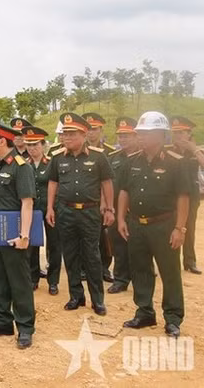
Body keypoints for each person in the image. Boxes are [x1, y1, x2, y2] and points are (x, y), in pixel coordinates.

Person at [118, 111, 190, 338]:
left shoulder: (176, 163)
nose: (140, 137)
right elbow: (124, 191)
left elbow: (183, 197)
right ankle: (145, 312)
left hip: (164, 225)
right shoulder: (132, 161)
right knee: (140, 270)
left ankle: (173, 318)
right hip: (136, 225)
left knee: (169, 272)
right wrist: (121, 219)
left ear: (160, 134)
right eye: (139, 133)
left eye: (145, 133)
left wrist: (180, 228)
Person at [46, 113, 114, 316]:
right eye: (65, 134)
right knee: (71, 255)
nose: (67, 138)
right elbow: (53, 183)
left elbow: (107, 183)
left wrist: (109, 208)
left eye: (72, 134)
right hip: (65, 211)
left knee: (92, 255)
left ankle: (97, 300)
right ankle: (76, 296)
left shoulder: (98, 156)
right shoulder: (57, 157)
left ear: (84, 134)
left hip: (90, 212)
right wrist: (50, 208)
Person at [0, 115, 36, 350]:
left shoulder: (21, 167)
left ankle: (25, 326)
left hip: (14, 229)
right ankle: (2, 321)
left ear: (1, 141)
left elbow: (27, 202)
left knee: (18, 280)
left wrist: (24, 236)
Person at [170, 116, 204, 275]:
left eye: (181, 132)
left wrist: (193, 149)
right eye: (175, 133)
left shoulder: (196, 151)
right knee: (170, 227)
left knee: (189, 227)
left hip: (192, 195)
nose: (178, 136)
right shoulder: (167, 150)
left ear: (189, 133)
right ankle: (171, 261)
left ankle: (189, 261)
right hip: (172, 195)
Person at [22, 126, 60, 295]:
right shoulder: (23, 164)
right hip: (32, 211)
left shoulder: (52, 162)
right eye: (29, 145)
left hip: (50, 210)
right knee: (32, 245)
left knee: (54, 245)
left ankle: (53, 281)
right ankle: (33, 278)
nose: (32, 148)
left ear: (43, 145)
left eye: (35, 144)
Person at [107, 117, 140, 294]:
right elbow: (105, 183)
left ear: (136, 136)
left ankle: (140, 279)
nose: (123, 139)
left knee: (139, 247)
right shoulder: (112, 158)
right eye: (120, 136)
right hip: (116, 210)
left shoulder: (144, 157)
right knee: (118, 246)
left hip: (137, 211)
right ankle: (120, 279)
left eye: (127, 135)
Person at [83, 112, 116, 283]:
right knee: (84, 236)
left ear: (101, 130)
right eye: (88, 129)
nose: (91, 133)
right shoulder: (79, 150)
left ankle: (104, 267)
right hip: (85, 200)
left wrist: (105, 202)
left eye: (94, 129)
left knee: (104, 237)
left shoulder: (110, 152)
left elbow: (108, 180)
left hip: (102, 201)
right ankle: (84, 268)